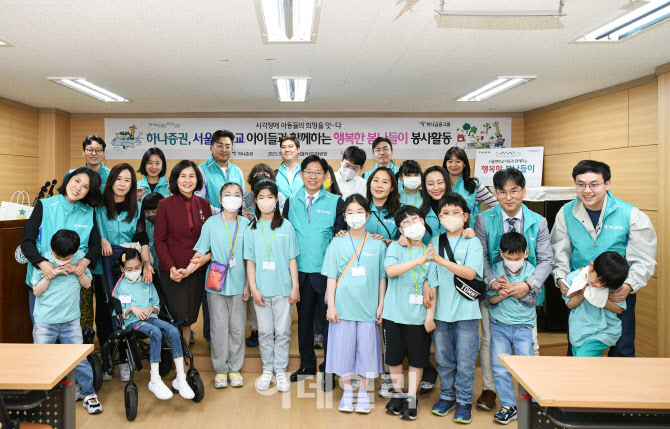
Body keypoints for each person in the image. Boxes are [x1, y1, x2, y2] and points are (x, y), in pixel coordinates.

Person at [551, 160, 657, 357]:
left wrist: (629, 285)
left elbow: (644, 258)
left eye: (594, 184)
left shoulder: (630, 214)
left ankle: (618, 387)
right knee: (578, 346)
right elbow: (559, 251)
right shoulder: (565, 213)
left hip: (618, 291)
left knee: (622, 349)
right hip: (580, 289)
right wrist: (561, 279)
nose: (587, 190)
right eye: (581, 184)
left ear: (607, 184)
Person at [473, 167, 553, 412]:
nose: (509, 197)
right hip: (495, 295)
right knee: (488, 341)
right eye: (502, 192)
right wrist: (491, 281)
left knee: (532, 344)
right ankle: (490, 389)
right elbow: (482, 256)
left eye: (514, 191)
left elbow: (547, 259)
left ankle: (531, 393)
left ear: (523, 191)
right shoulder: (484, 219)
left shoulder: (538, 221)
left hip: (526, 293)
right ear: (495, 193)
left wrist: (528, 284)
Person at [283, 155, 346, 391]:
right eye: (308, 171)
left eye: (318, 172)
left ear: (325, 176)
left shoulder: (336, 202)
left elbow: (340, 237)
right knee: (305, 322)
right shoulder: (291, 201)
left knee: (330, 323)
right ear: (301, 175)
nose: (313, 176)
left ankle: (330, 368)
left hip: (327, 274)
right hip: (300, 273)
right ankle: (307, 364)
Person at [323, 194, 387, 414]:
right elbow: (331, 277)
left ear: (367, 215)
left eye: (359, 211)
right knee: (343, 351)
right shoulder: (337, 242)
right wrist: (331, 306)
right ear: (344, 216)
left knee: (368, 352)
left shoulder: (378, 245)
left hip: (368, 308)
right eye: (350, 212)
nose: (355, 216)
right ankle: (348, 392)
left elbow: (381, 278)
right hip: (343, 308)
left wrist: (381, 305)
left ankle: (364, 393)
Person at [427, 193, 484, 424]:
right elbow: (431, 280)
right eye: (446, 213)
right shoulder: (434, 242)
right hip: (441, 313)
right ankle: (447, 396)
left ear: (466, 216)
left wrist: (441, 261)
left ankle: (463, 401)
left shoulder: (473, 241)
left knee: (466, 360)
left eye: (456, 213)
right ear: (439, 218)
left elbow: (470, 273)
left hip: (467, 313)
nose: (451, 217)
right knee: (443, 358)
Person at [31, 229, 102, 414]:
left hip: (71, 321)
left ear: (76, 250)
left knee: (79, 359)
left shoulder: (80, 258)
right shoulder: (43, 262)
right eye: (58, 256)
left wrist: (78, 272)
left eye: (67, 257)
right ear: (51, 248)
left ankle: (88, 393)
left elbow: (87, 284)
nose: (62, 260)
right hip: (45, 321)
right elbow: (36, 291)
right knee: (42, 360)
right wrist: (50, 274)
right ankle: (41, 396)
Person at [188, 182, 250, 389]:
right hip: (216, 285)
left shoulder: (247, 224)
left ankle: (235, 367)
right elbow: (200, 253)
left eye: (237, 194)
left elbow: (251, 260)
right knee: (218, 327)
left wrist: (249, 284)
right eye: (227, 194)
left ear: (242, 200)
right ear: (220, 200)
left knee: (237, 328)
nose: (232, 198)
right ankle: (221, 370)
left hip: (240, 284)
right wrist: (186, 270)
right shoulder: (211, 224)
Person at [111, 248, 194, 400]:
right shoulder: (120, 286)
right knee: (155, 332)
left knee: (173, 330)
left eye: (137, 268)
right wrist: (131, 309)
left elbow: (157, 305)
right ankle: (155, 379)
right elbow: (118, 315)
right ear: (122, 269)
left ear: (142, 265)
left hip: (150, 318)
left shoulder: (146, 281)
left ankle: (180, 378)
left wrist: (150, 308)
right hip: (133, 322)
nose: (134, 271)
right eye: (129, 269)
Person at [21, 167, 102, 323]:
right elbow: (26, 241)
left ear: (89, 191)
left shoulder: (89, 212)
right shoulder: (44, 205)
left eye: (85, 186)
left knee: (68, 333)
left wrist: (85, 262)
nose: (78, 188)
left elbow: (96, 245)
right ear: (68, 180)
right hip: (42, 278)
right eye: (77, 181)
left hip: (70, 284)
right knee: (43, 333)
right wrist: (41, 263)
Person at [94, 163, 153, 373]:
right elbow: (91, 230)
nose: (122, 184)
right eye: (118, 179)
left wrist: (146, 264)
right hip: (103, 266)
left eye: (127, 180)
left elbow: (141, 237)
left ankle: (128, 356)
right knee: (105, 312)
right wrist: (101, 238)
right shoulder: (98, 206)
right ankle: (108, 358)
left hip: (129, 267)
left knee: (129, 309)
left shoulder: (135, 208)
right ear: (111, 181)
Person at [244, 180, 300, 392]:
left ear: (277, 199)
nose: (265, 201)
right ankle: (267, 370)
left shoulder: (286, 226)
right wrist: (254, 288)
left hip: (284, 290)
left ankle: (280, 371)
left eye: (270, 197)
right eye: (261, 197)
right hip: (261, 292)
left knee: (283, 331)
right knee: (266, 332)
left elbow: (292, 259)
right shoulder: (251, 228)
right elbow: (250, 261)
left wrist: (295, 286)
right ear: (255, 201)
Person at [382, 205, 436, 420]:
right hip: (394, 314)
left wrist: (430, 317)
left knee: (417, 359)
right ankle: (397, 395)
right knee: (393, 358)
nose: (412, 224)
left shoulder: (431, 251)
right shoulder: (396, 248)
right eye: (405, 222)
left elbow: (433, 287)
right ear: (400, 230)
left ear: (423, 221)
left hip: (419, 317)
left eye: (415, 219)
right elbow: (390, 271)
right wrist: (418, 261)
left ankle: (411, 398)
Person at [155, 160, 213, 348]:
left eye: (192, 176)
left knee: (188, 317)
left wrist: (202, 260)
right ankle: (174, 359)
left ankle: (184, 358)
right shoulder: (164, 204)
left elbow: (209, 238)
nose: (187, 180)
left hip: (196, 270)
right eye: (183, 176)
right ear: (176, 179)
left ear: (197, 180)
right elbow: (159, 241)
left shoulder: (204, 204)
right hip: (173, 272)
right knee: (175, 317)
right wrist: (172, 267)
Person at [485, 232, 537, 425]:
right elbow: (489, 301)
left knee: (527, 367)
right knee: (499, 367)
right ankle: (508, 405)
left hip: (523, 326)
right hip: (499, 325)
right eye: (508, 257)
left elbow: (532, 300)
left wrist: (515, 290)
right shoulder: (495, 271)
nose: (513, 261)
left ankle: (527, 405)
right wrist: (501, 294)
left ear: (526, 253)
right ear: (501, 253)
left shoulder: (531, 271)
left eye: (517, 258)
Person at [242, 164, 287, 347]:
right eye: (257, 175)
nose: (261, 178)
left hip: (274, 250)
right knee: (255, 291)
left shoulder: (280, 197)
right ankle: (255, 329)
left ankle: (275, 330)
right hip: (253, 249)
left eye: (265, 175)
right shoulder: (246, 198)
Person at [563, 252, 629, 357]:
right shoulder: (575, 278)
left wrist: (599, 297)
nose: (598, 285)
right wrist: (583, 293)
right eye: (598, 280)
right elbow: (570, 305)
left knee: (583, 359)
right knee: (581, 364)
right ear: (591, 266)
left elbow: (619, 310)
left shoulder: (613, 283)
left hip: (603, 331)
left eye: (604, 285)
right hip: (579, 331)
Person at [443, 147, 498, 228]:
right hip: (445, 235)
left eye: (458, 161)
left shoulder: (474, 185)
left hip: (469, 235)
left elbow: (496, 205)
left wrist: (480, 221)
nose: (453, 165)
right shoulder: (440, 185)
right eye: (450, 161)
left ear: (464, 164)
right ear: (445, 164)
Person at [197, 129, 246, 209]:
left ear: (232, 150)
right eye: (220, 146)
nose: (224, 150)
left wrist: (241, 211)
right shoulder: (201, 170)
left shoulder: (237, 171)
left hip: (236, 219)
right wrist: (221, 214)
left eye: (227, 147)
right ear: (211, 148)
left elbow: (244, 198)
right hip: (211, 219)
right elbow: (199, 200)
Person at [365, 166, 401, 246]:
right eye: (375, 181)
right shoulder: (359, 207)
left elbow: (404, 241)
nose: (379, 185)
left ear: (392, 188)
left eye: (384, 182)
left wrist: (387, 241)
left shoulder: (401, 211)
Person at [141, 192, 164, 273]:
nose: (150, 215)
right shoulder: (143, 225)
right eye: (147, 212)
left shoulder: (169, 225)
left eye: (154, 212)